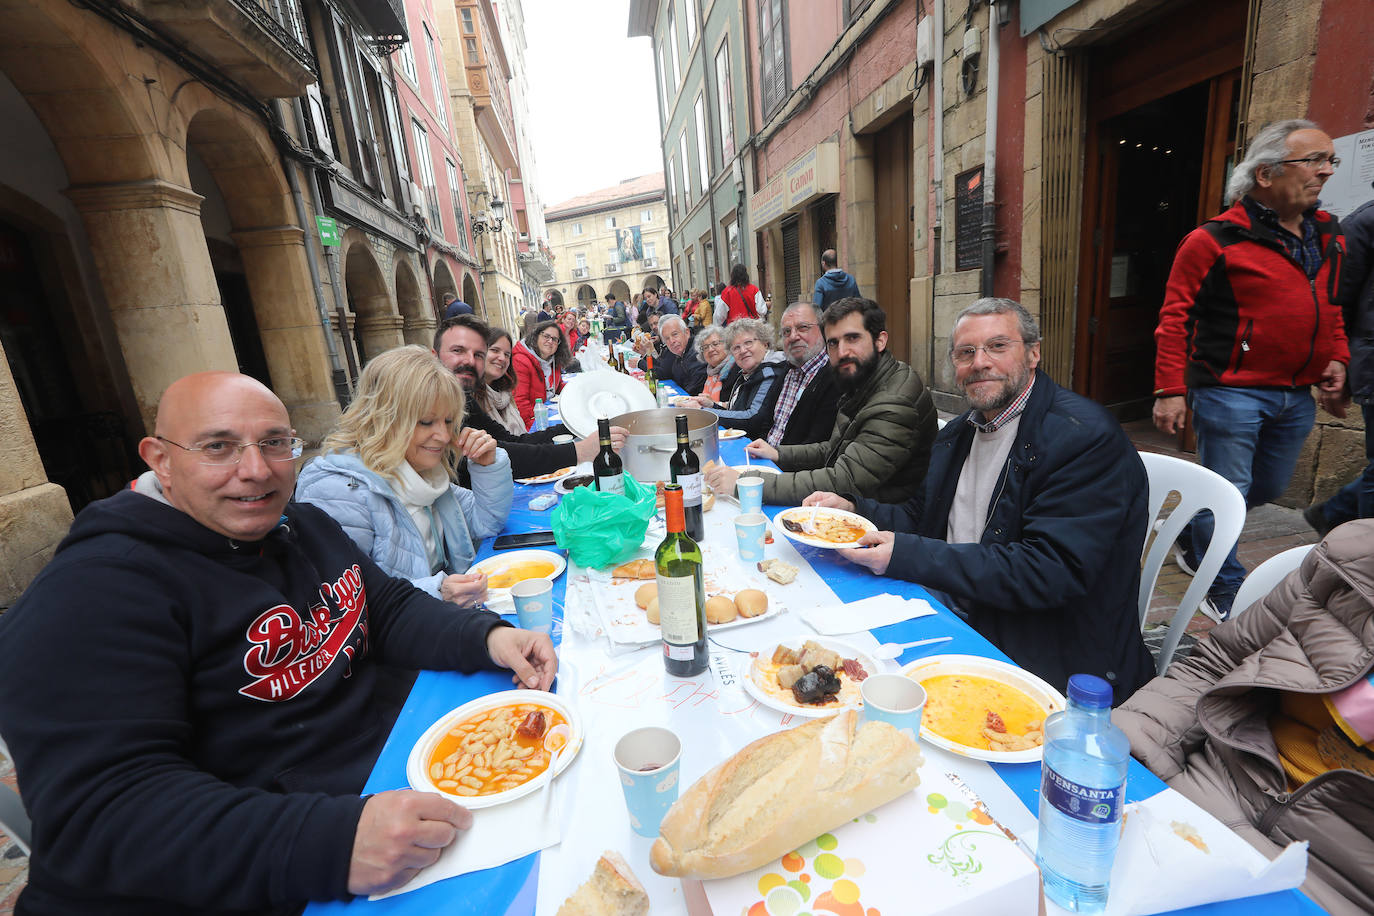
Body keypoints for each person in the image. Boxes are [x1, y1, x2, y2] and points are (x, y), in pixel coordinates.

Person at [0, 371, 556, 913]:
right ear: (160, 460)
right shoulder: (92, 593)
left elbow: (383, 606)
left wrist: (488, 636)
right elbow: (100, 813)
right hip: (268, 866)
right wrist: (329, 844)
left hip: (387, 772)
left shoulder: (301, 525)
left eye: (274, 444)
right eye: (218, 447)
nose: (256, 469)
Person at [806, 298, 1153, 703]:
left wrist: (907, 555)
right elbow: (922, 517)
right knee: (827, 639)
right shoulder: (961, 433)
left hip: (1044, 652)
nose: (980, 363)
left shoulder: (1083, 438)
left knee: (866, 691)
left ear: (1034, 352)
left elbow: (1049, 571)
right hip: (955, 606)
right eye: (966, 353)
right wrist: (856, 509)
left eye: (998, 347)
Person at [1115, 520, 1374, 914]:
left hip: (1328, 884)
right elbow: (1219, 662)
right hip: (1203, 784)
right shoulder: (1357, 555)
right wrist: (1132, 745)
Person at [1153, 118, 1349, 623]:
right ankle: (1221, 581)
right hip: (1229, 391)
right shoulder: (1212, 240)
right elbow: (1175, 318)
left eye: (1330, 160)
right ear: (1265, 174)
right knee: (1232, 490)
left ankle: (1196, 529)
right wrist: (1170, 390)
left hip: (1294, 392)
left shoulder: (1329, 234)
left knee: (1263, 487)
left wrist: (1338, 356)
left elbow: (1333, 307)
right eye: (1313, 161)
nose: (1325, 172)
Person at [295, 346, 511, 605]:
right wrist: (437, 591)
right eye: (426, 422)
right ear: (384, 418)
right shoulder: (338, 491)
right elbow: (346, 601)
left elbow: (487, 523)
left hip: (439, 619)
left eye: (448, 421)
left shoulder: (422, 472)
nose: (444, 436)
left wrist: (488, 465)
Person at [704, 297, 935, 505]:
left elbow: (846, 479)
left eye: (853, 338)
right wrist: (778, 453)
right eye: (833, 343)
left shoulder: (894, 401)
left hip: (883, 519)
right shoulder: (858, 379)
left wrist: (748, 483)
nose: (842, 351)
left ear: (880, 341)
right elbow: (833, 448)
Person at [434, 317, 624, 477]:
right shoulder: (432, 402)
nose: (469, 361)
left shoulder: (462, 398)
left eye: (478, 354)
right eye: (457, 350)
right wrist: (580, 451)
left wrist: (577, 424)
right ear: (434, 355)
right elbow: (502, 453)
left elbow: (511, 442)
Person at [1305, 197, 1374, 536]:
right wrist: (1340, 367)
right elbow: (1336, 304)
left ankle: (1334, 512)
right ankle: (1364, 557)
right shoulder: (1365, 221)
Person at [685, 319, 783, 436]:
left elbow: (753, 418)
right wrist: (711, 405)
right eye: (736, 347)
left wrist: (703, 412)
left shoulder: (770, 372)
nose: (742, 350)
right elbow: (736, 413)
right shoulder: (745, 374)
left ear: (765, 344)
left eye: (748, 343)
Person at [763, 302, 841, 447]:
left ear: (823, 331)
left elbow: (817, 448)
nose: (793, 337)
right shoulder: (786, 371)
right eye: (786, 331)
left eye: (803, 328)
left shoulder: (835, 378)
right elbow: (765, 423)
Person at [512, 320, 572, 427]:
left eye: (554, 339)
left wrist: (576, 389)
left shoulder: (554, 360)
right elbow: (520, 402)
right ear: (536, 336)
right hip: (532, 421)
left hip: (548, 413)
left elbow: (556, 387)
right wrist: (538, 427)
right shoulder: (520, 361)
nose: (550, 341)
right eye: (546, 336)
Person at [639, 315, 708, 394]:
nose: (672, 341)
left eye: (675, 334)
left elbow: (693, 391)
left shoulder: (697, 353)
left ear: (687, 332)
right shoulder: (680, 354)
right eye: (667, 338)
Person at [480, 325, 527, 435]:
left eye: (507, 354)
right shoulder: (471, 400)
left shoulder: (506, 391)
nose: (502, 358)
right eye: (495, 350)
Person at [695, 325, 733, 404]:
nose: (711, 349)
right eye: (705, 347)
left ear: (727, 344)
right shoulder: (711, 372)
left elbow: (736, 407)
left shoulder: (735, 368)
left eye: (715, 344)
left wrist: (712, 404)